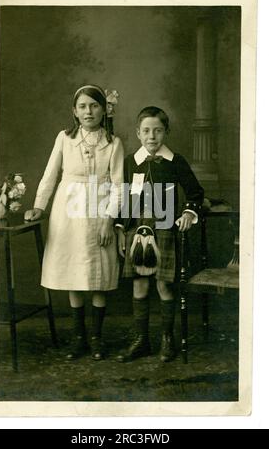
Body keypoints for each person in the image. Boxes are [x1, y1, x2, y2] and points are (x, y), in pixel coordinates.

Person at [24, 84, 124, 361]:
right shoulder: (65, 139)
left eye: (93, 105)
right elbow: (49, 174)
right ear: (74, 111)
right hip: (68, 212)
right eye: (82, 106)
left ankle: (96, 338)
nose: (88, 111)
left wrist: (108, 220)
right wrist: (38, 206)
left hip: (100, 209)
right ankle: (78, 338)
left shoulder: (113, 143)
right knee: (74, 273)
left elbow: (118, 186)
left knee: (99, 276)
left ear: (104, 110)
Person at [115, 106, 204, 363]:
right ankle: (141, 340)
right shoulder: (131, 162)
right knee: (139, 284)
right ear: (138, 133)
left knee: (164, 283)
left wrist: (188, 212)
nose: (152, 136)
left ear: (166, 132)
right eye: (146, 131)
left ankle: (167, 338)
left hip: (165, 228)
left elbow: (196, 193)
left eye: (157, 130)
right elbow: (123, 199)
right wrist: (121, 229)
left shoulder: (176, 162)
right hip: (137, 229)